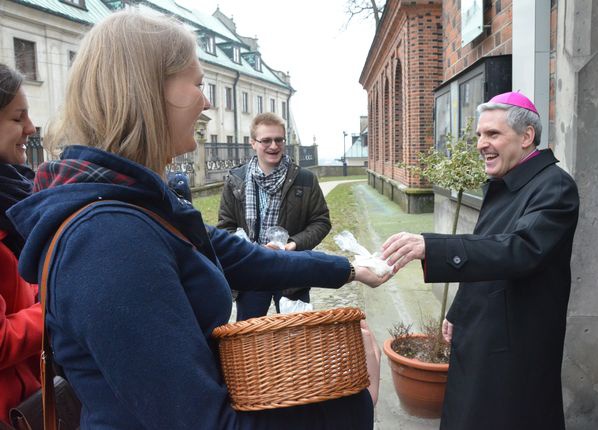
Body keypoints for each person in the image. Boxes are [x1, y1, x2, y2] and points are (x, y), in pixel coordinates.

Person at [7, 12, 388, 429]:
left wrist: (350, 269)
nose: (206, 102)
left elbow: (246, 258)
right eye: (198, 83)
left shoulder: (136, 204)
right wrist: (354, 405)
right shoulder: (109, 239)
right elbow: (205, 423)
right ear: (148, 91)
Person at [382, 92, 580, 430]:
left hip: (514, 344)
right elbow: (484, 252)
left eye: (492, 134)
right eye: (478, 135)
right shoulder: (506, 183)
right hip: (484, 331)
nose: (480, 144)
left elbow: (519, 250)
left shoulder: (555, 186)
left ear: (526, 136)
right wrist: (459, 309)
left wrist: (432, 246)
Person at [218, 112, 331, 320]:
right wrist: (248, 249)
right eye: (266, 140)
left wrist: (293, 244)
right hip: (251, 268)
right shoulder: (236, 180)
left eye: (279, 140)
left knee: (295, 335)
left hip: (291, 269)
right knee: (249, 335)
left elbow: (321, 221)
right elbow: (226, 226)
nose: (274, 146)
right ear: (253, 143)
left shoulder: (305, 179)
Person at [0, 63, 41, 425]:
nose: (30, 128)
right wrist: (55, 307)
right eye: (18, 117)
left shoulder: (14, 196)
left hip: (27, 397)